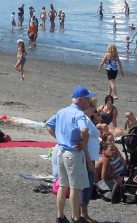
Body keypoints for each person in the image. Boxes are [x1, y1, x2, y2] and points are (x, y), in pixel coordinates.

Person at [45, 86, 99, 223]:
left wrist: (59, 138)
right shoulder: (79, 114)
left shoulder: (62, 111)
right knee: (76, 187)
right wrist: (83, 143)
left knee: (63, 186)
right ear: (80, 100)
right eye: (87, 99)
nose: (89, 101)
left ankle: (60, 216)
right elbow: (84, 130)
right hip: (73, 153)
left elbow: (48, 125)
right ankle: (75, 217)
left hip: (61, 152)